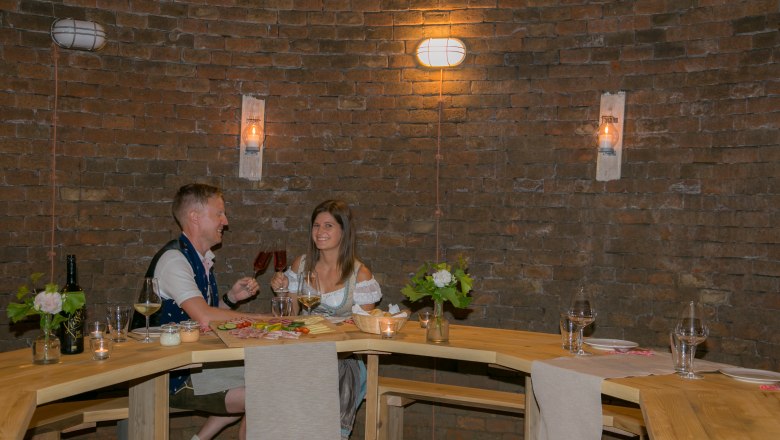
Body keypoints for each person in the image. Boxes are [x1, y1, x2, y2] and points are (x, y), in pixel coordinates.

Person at [140, 183, 261, 440]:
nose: (225, 221)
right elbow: (204, 316)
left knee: (270, 374)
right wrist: (264, 320)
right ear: (195, 218)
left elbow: (198, 320)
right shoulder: (174, 260)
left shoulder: (199, 258)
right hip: (169, 375)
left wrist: (230, 299)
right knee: (266, 394)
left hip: (194, 364)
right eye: (219, 213)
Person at [271, 199, 382, 439]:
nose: (320, 232)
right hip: (301, 354)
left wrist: (330, 329)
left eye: (329, 226)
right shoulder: (301, 265)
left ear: (344, 230)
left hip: (341, 360)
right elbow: (289, 317)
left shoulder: (360, 274)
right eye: (316, 225)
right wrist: (281, 292)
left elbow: (364, 329)